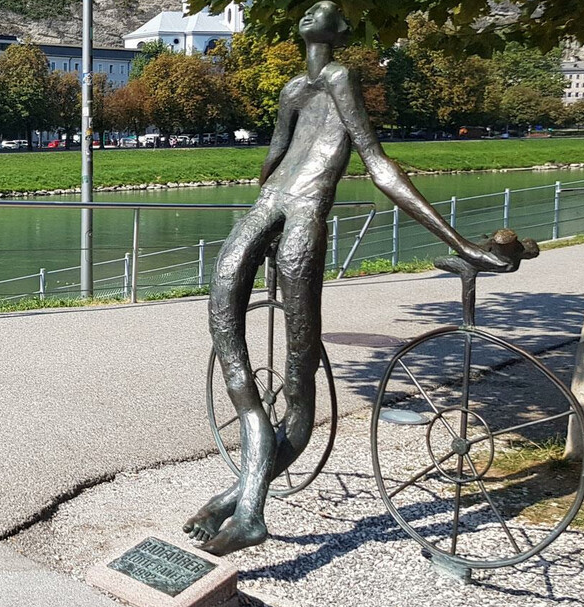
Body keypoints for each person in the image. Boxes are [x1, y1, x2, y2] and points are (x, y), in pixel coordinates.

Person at [182, 0, 517, 556]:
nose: (311, 13)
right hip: (269, 209)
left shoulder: (340, 77)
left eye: (324, 10)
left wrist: (456, 241)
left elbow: (376, 163)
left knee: (299, 381)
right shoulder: (292, 90)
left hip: (305, 213)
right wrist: (259, 229)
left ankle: (246, 508)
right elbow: (272, 161)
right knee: (226, 335)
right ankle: (241, 495)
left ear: (339, 30)